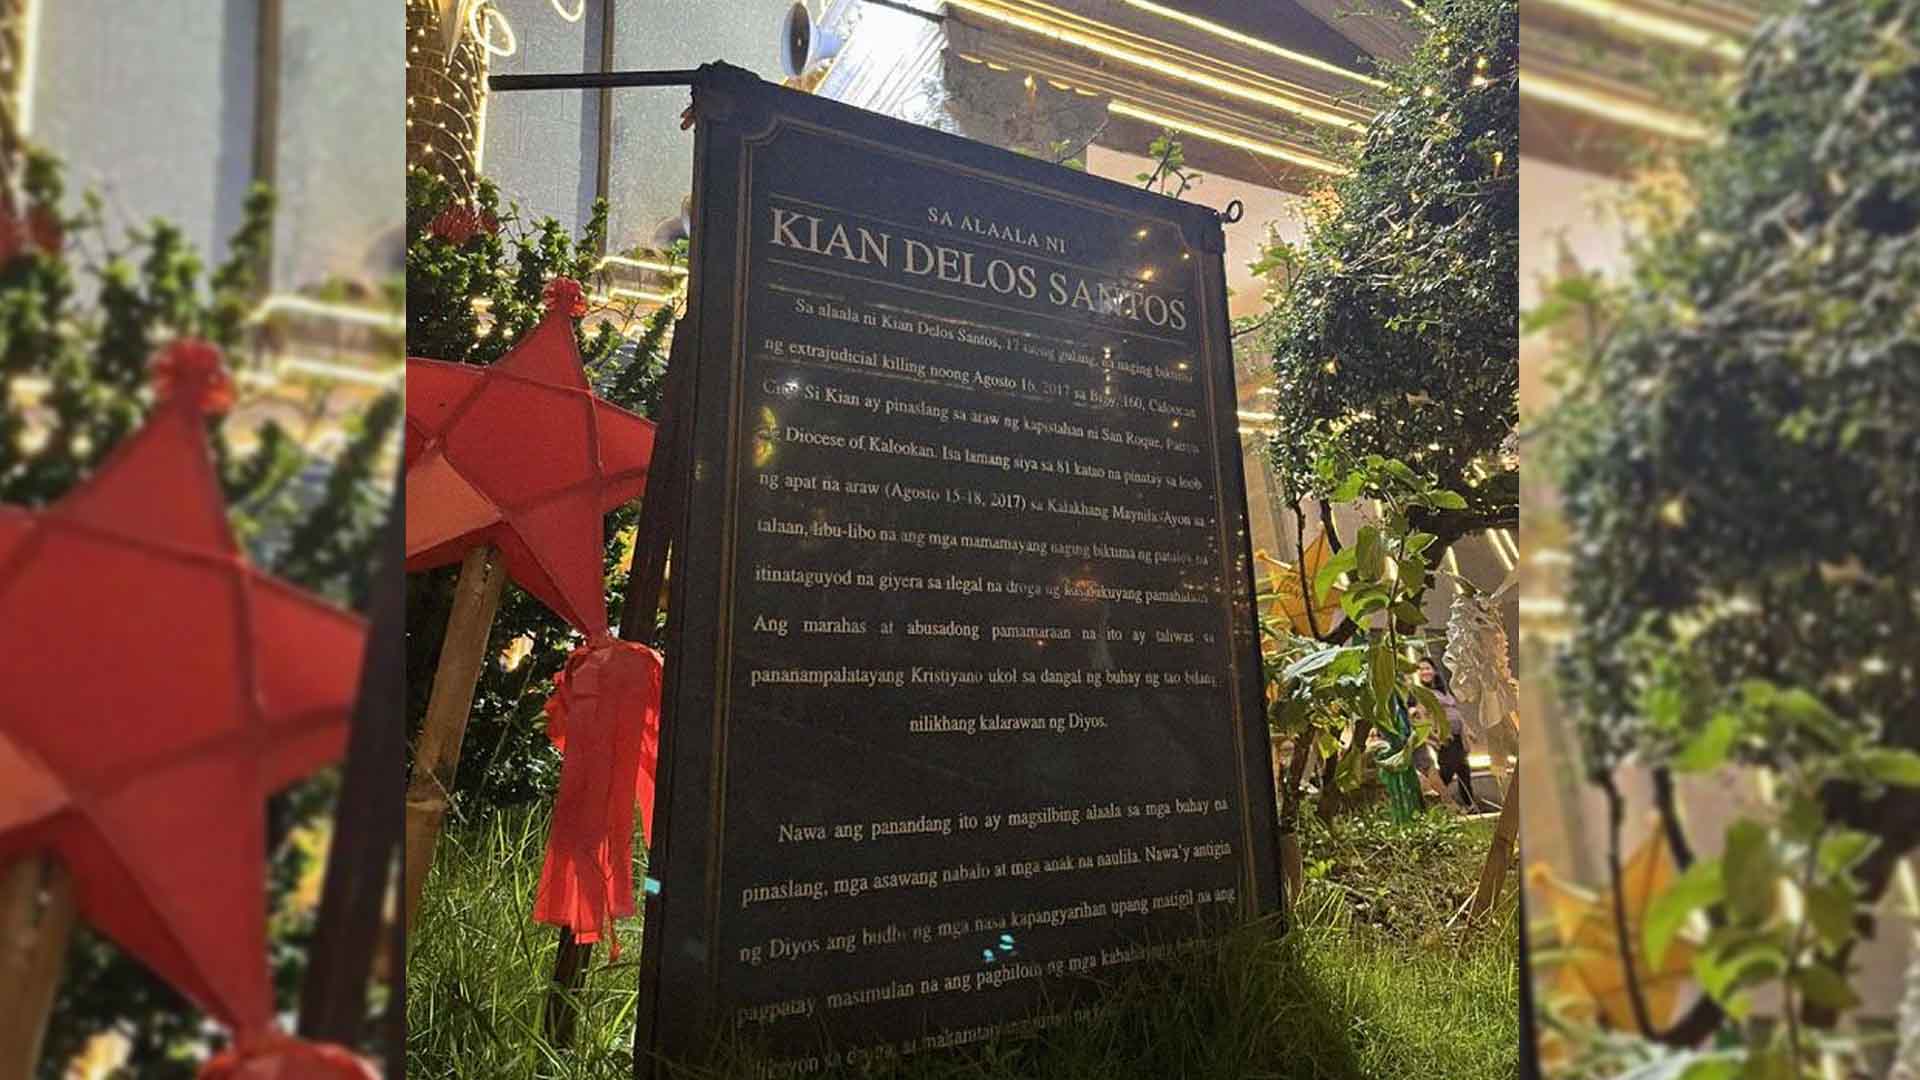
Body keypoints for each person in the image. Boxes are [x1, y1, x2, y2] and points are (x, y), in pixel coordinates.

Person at [1411, 657, 1478, 810]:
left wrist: (1468, 730)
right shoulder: (1422, 693)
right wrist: (1432, 736)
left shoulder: (1443, 691)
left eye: (1427, 668)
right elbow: (1422, 716)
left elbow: (1456, 712)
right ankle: (1431, 800)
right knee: (1448, 770)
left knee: (1464, 770)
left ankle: (1469, 804)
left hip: (1458, 736)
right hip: (1445, 737)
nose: (1424, 672)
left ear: (1434, 671)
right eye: (1421, 669)